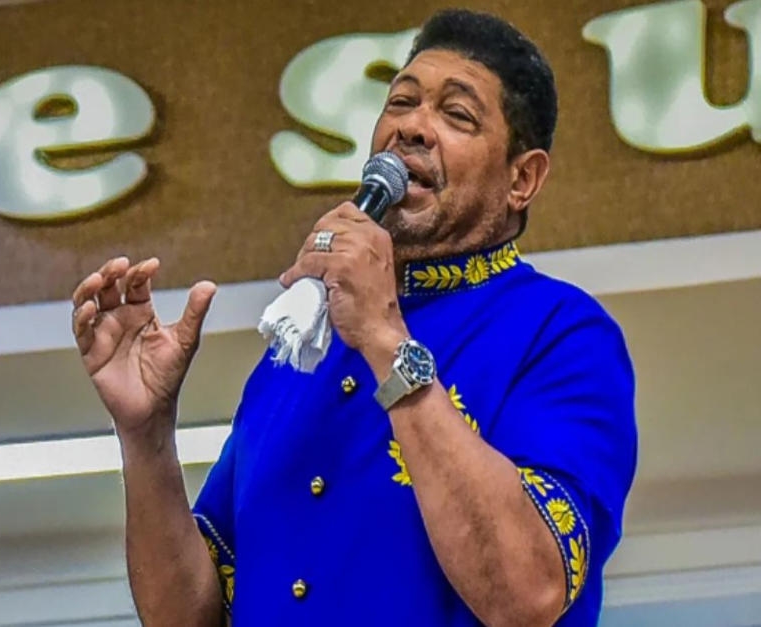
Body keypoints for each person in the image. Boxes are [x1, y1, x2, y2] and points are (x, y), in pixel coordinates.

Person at [71, 8, 636, 627]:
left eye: (457, 114)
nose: (411, 127)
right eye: (401, 102)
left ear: (521, 179)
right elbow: (188, 618)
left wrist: (384, 337)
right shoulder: (298, 353)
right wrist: (146, 434)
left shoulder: (561, 333)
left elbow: (527, 594)